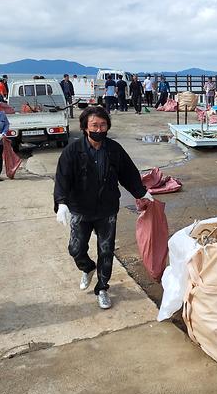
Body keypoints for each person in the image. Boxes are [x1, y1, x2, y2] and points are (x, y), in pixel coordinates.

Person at [53, 106, 154, 309]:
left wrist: (141, 192)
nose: (99, 130)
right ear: (85, 127)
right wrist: (61, 202)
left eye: (103, 125)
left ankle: (102, 288)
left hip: (106, 209)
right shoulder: (72, 151)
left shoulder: (114, 149)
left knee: (106, 251)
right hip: (80, 209)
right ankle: (87, 267)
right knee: (76, 249)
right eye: (94, 126)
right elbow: (63, 177)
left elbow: (128, 173)